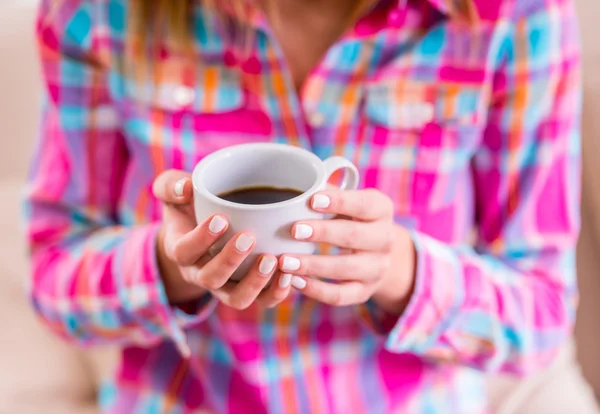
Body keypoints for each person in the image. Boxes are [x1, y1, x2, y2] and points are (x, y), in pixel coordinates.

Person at [26, 0, 582, 412]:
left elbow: (543, 314)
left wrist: (400, 271)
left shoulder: (515, 18)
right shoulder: (97, 16)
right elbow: (54, 276)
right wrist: (172, 266)